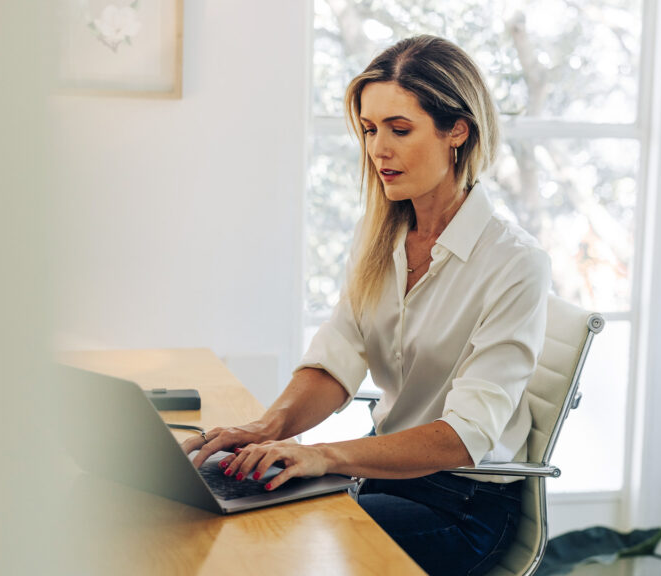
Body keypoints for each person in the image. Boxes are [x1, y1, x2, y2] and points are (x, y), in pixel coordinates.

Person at [184, 35, 550, 576]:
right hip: (380, 475)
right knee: (220, 506)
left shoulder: (514, 262)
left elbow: (467, 435)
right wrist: (269, 428)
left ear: (457, 131)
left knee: (274, 538)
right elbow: (337, 360)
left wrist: (326, 455)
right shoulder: (378, 236)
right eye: (370, 129)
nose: (379, 149)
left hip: (462, 507)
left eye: (400, 130)